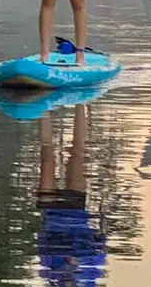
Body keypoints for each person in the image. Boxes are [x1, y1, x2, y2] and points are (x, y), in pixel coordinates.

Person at [36, 106, 107, 286]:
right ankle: (81, 102)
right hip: (77, 214)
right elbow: (100, 248)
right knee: (77, 155)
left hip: (51, 214)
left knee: (47, 159)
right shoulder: (89, 279)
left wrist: (63, 265)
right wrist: (78, 260)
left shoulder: (49, 277)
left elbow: (42, 245)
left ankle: (44, 105)